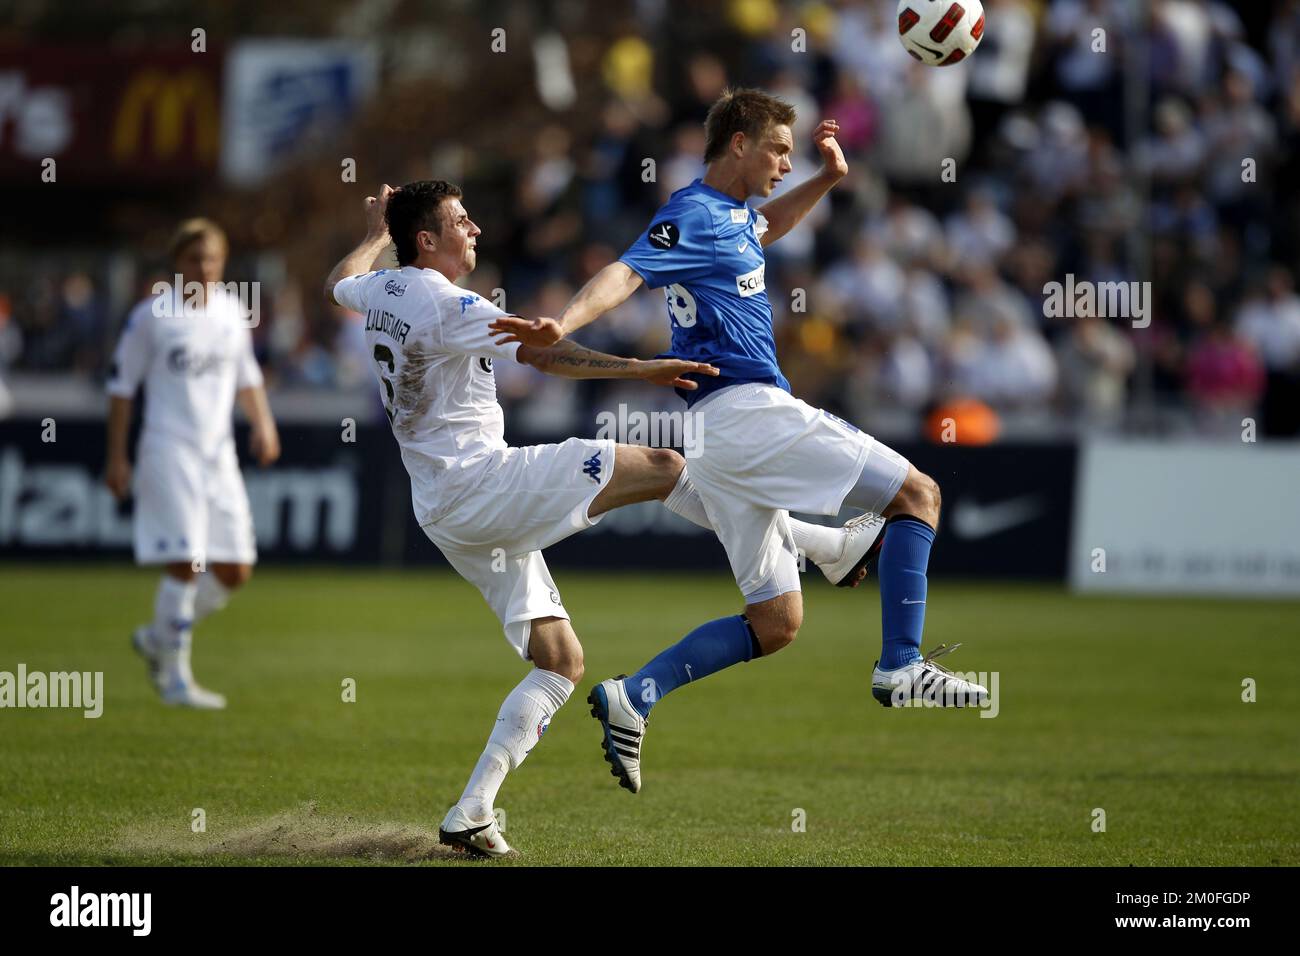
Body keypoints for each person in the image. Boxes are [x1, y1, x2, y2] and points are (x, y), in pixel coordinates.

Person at [325, 180, 876, 855]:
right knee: (663, 467)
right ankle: (824, 546)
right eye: (459, 222)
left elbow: (341, 278)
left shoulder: (381, 290)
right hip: (482, 484)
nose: (474, 229)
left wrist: (378, 230)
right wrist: (639, 367)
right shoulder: (447, 303)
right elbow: (546, 353)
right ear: (427, 241)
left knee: (559, 662)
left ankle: (472, 809)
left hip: (440, 507)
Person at [492, 88, 987, 796]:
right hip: (749, 413)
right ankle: (900, 663)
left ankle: (637, 695)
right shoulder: (691, 212)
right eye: (780, 149)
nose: (788, 162)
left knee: (776, 622)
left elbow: (765, 230)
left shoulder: (732, 219)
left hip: (718, 434)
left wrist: (827, 180)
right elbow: (627, 271)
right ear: (738, 144)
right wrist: (562, 323)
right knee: (918, 492)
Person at [105, 218, 280, 710]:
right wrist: (116, 456)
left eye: (211, 259)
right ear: (176, 264)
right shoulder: (152, 317)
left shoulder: (229, 312)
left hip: (218, 453)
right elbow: (121, 389)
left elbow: (246, 376)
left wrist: (263, 424)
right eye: (193, 259)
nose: (203, 268)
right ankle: (175, 677)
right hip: (168, 449)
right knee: (187, 559)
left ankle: (159, 635)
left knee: (235, 568)